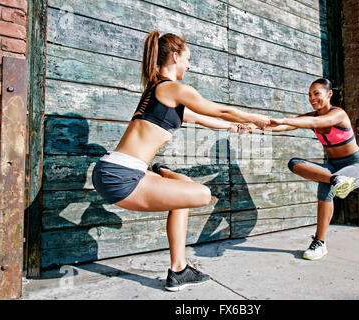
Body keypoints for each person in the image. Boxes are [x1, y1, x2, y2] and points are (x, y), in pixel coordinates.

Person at [92, 31, 270, 291]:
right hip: (121, 176)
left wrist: (237, 126)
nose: (189, 64)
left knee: (183, 193)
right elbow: (217, 108)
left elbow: (201, 118)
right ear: (175, 56)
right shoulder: (171, 88)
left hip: (114, 169)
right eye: (188, 58)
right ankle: (164, 171)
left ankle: (179, 270)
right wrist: (256, 117)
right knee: (200, 194)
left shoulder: (159, 91)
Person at [267, 78, 359, 261]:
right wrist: (254, 126)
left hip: (356, 165)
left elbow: (316, 122)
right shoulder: (311, 116)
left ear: (329, 94)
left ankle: (319, 242)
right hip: (332, 168)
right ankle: (335, 181)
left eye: (316, 93)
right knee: (294, 163)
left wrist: (284, 119)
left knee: (326, 186)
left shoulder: (338, 114)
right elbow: (283, 126)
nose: (312, 98)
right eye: (309, 95)